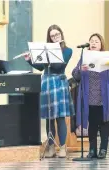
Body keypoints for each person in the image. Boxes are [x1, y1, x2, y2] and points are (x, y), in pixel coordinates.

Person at [25, 24, 75, 158]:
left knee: (60, 116)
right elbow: (41, 68)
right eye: (52, 36)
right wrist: (30, 60)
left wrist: (52, 52)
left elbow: (59, 66)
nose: (55, 37)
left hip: (58, 82)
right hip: (47, 82)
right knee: (49, 117)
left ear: (61, 34)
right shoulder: (46, 51)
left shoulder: (67, 50)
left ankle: (63, 147)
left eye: (57, 34)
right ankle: (51, 147)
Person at [72, 33, 109, 159]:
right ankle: (92, 150)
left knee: (104, 124)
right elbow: (75, 75)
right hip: (90, 96)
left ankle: (103, 149)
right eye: (91, 41)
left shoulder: (107, 57)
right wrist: (80, 70)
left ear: (101, 45)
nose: (93, 43)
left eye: (96, 41)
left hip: (104, 97)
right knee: (92, 124)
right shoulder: (84, 58)